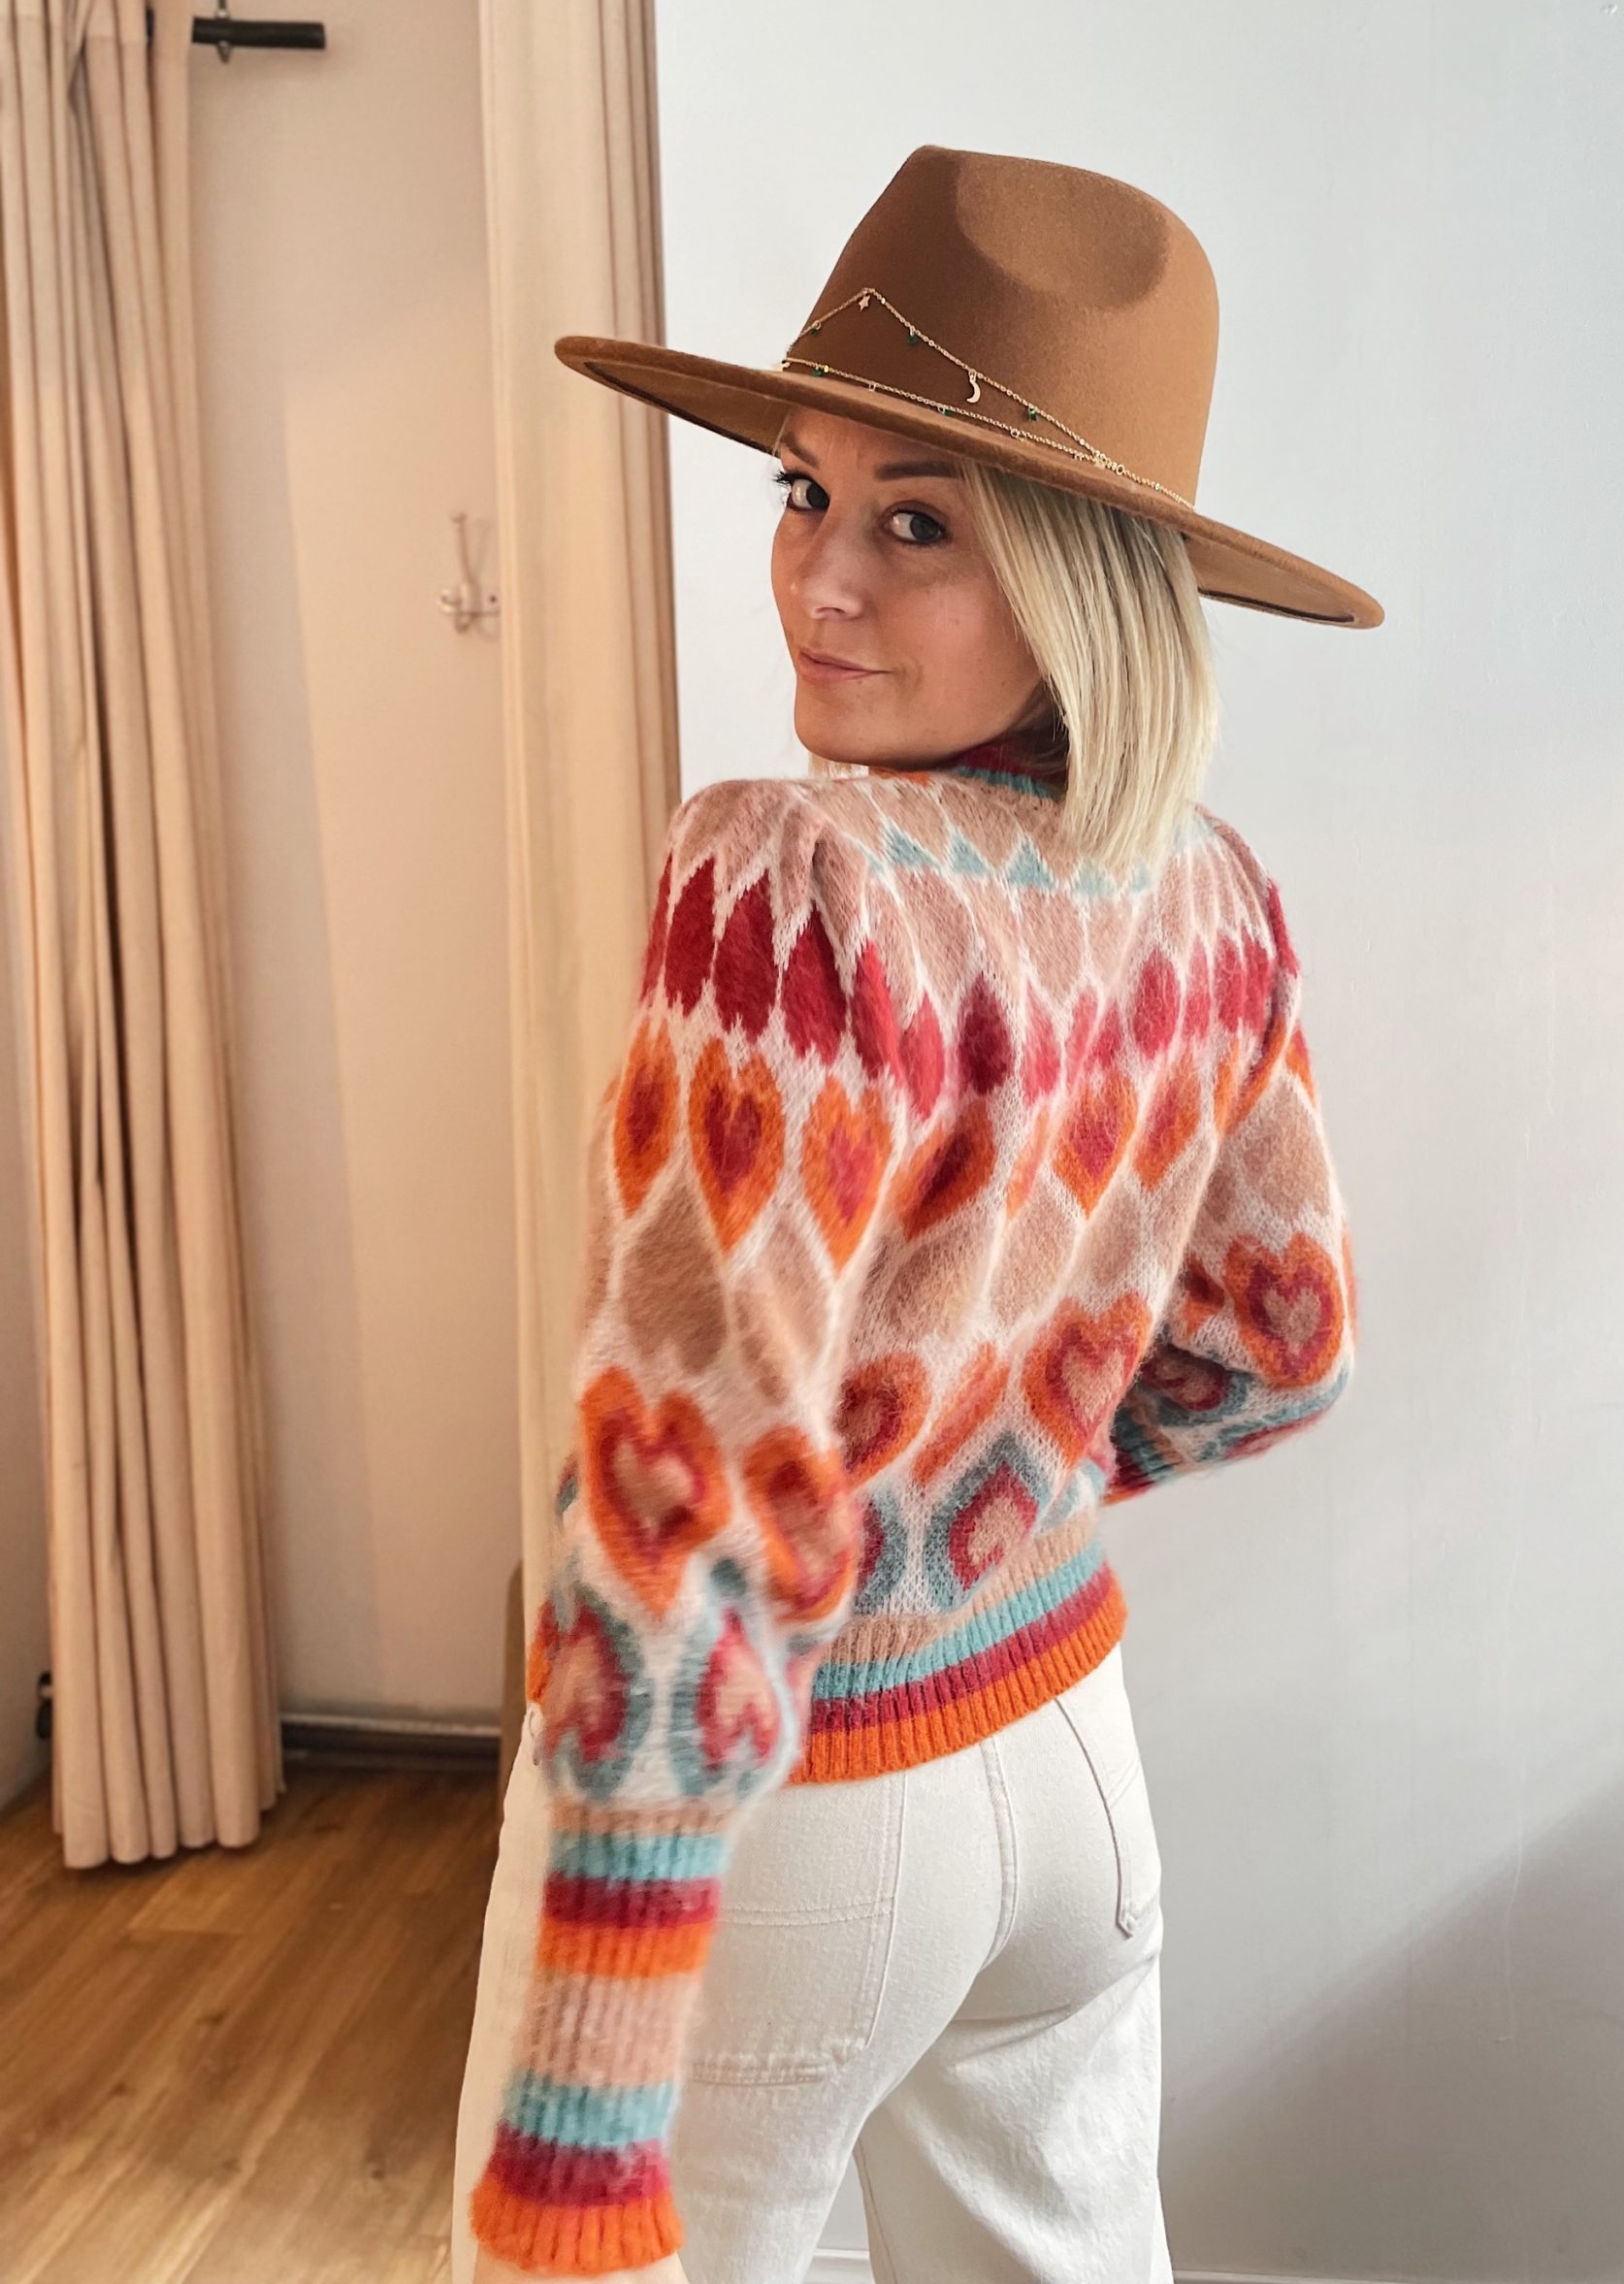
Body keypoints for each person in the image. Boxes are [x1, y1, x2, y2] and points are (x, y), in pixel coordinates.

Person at [453, 144, 1380, 2284]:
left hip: (806, 1815)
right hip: (1068, 1768)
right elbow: (1282, 1348)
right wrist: (992, 1477)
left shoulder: (789, 880)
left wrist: (590, 2114)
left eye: (918, 523)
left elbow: (680, 1500)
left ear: (1081, 581)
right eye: (804, 490)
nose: (819, 580)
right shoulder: (1207, 893)